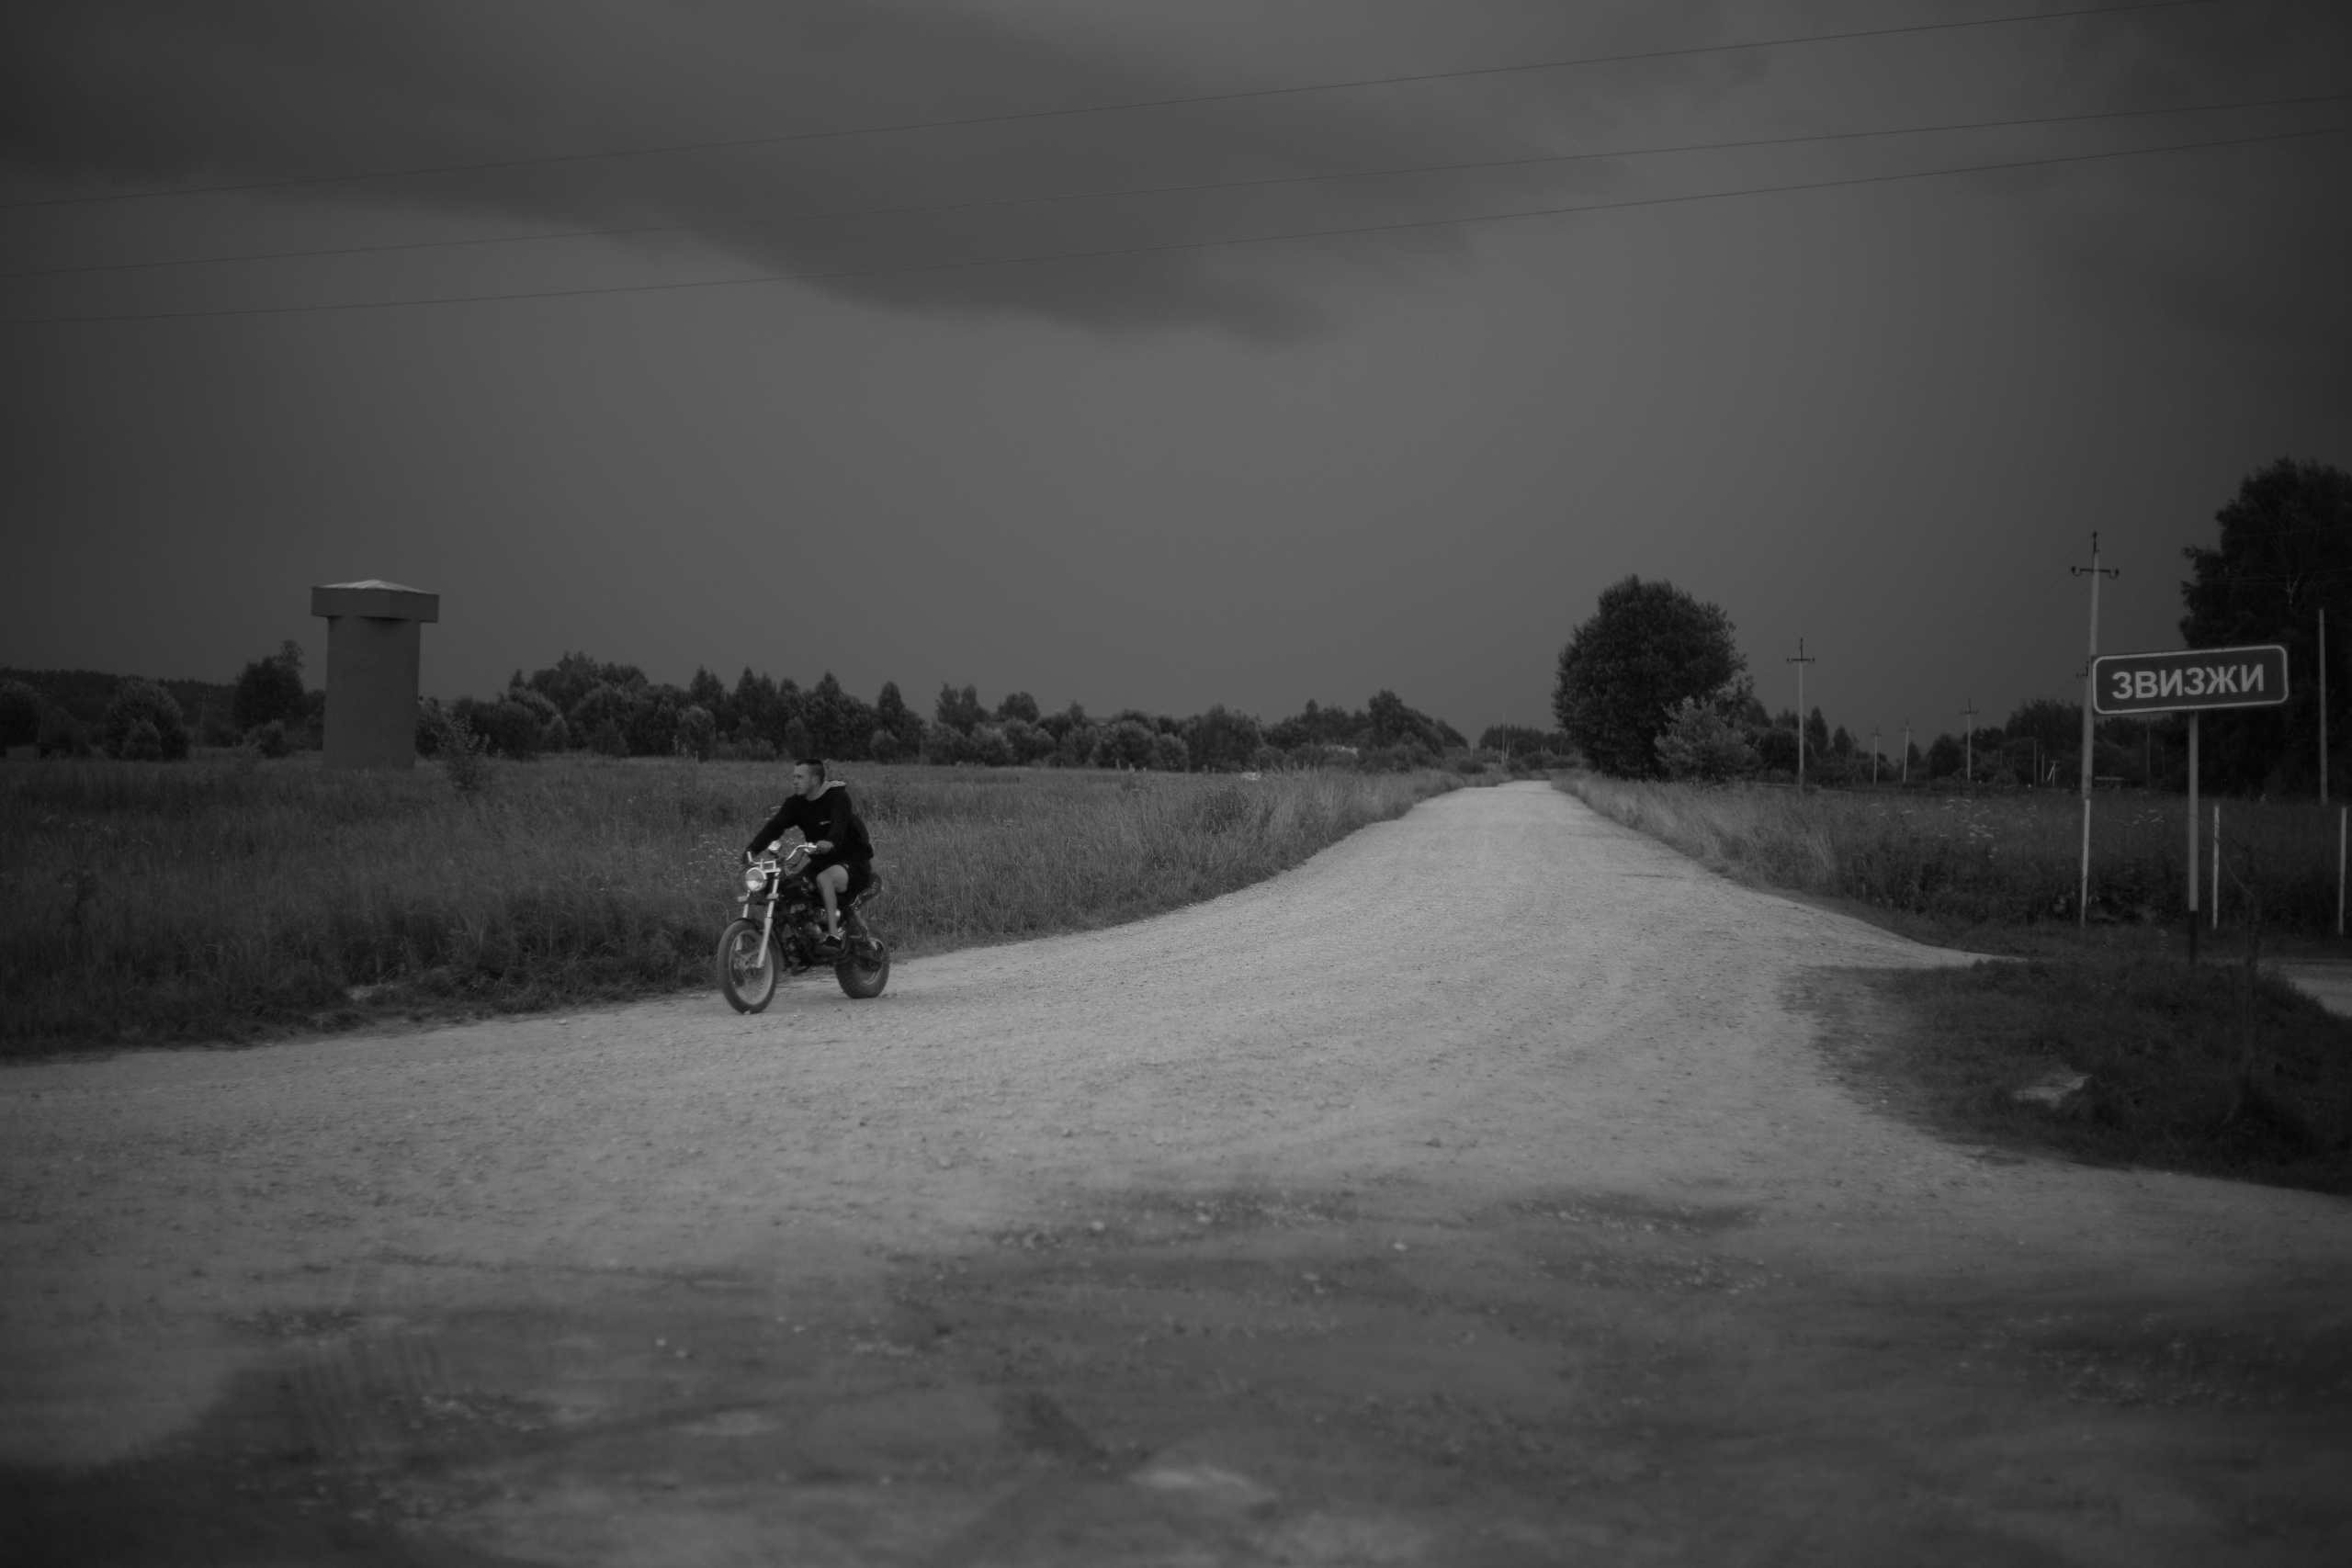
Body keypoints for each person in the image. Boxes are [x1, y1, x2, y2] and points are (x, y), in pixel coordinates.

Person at [744, 758, 873, 942]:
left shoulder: (837, 797)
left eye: (799, 777)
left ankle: (833, 937)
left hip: (852, 862)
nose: (794, 781)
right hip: (821, 862)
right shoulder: (796, 804)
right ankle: (804, 933)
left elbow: (839, 824)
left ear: (814, 780)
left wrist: (830, 842)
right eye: (793, 777)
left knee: (824, 879)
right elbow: (775, 827)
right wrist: (752, 849)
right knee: (790, 886)